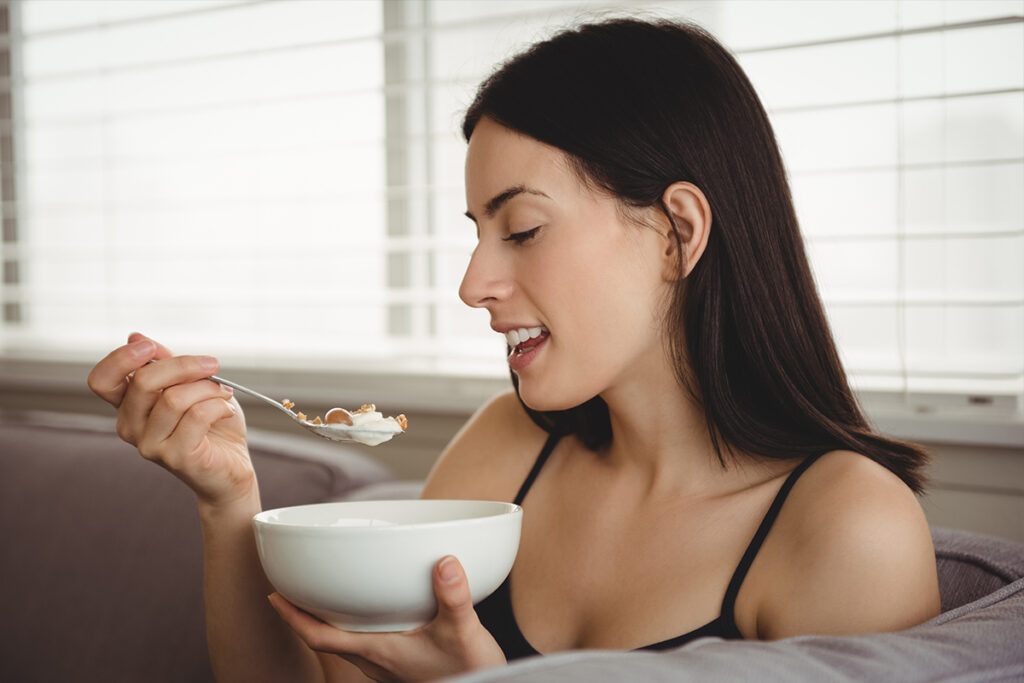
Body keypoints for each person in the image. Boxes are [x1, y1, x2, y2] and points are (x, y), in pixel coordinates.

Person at [88, 17, 940, 683]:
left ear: (678, 232)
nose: (472, 283)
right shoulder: (506, 445)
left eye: (523, 228)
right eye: (478, 233)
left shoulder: (847, 530)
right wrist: (227, 499)